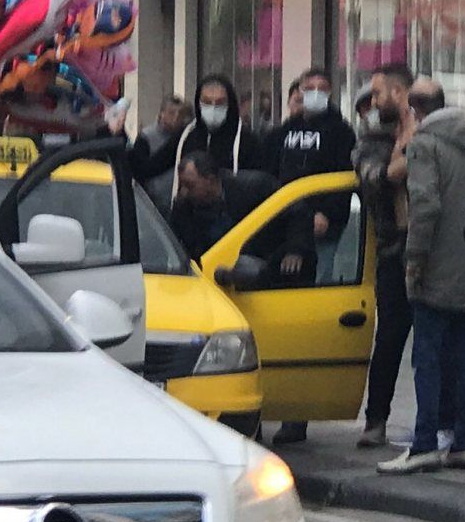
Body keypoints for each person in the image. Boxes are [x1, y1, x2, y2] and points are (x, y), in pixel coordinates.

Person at [377, 79, 465, 474]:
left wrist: (415, 260)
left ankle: (424, 442)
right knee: (464, 356)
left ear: (414, 109)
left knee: (427, 357)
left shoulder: (424, 145)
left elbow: (425, 206)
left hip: (436, 263)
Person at [266, 67, 357, 447]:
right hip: (284, 232)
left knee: (311, 312)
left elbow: (343, 181)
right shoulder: (283, 133)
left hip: (322, 232)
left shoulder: (340, 132)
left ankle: (299, 413)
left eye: (322, 88)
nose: (315, 93)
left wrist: (327, 214)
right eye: (309, 88)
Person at [356, 62, 417, 448]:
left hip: (432, 251)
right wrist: (404, 156)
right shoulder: (372, 138)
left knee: (436, 342)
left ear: (399, 93)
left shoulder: (429, 131)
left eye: (378, 93)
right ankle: (375, 419)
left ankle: (442, 425)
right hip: (393, 249)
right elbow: (374, 180)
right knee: (390, 338)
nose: (374, 100)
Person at [169, 151, 312, 278]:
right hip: (209, 274)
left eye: (190, 185)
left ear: (210, 180)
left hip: (262, 269)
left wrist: (295, 249)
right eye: (182, 185)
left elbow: (295, 210)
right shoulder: (183, 206)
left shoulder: (255, 188)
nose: (184, 192)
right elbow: (173, 240)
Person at [129, 75, 267, 195]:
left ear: (230, 104)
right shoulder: (186, 136)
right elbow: (148, 168)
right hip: (188, 215)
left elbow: (261, 185)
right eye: (207, 102)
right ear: (198, 103)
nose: (213, 108)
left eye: (219, 103)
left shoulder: (247, 141)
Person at [134, 95, 193, 215]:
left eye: (180, 114)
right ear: (162, 113)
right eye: (171, 113)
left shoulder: (185, 138)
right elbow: (140, 171)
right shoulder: (146, 137)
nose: (175, 118)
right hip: (152, 201)